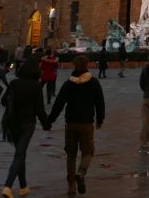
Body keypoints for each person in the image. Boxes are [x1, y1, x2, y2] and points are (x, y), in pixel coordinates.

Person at [47, 54, 105, 196]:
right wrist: (100, 119)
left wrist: (50, 120)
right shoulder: (94, 83)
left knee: (71, 156)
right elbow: (100, 103)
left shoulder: (68, 84)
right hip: (86, 123)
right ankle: (81, 172)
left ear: (74, 65)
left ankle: (71, 187)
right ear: (87, 65)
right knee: (88, 151)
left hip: (71, 123)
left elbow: (59, 104)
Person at [0, 60, 51, 198]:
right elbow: (40, 109)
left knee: (20, 152)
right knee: (20, 154)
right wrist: (46, 124)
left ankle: (23, 187)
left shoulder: (14, 83)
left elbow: (3, 100)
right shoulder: (36, 86)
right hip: (28, 122)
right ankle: (8, 186)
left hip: (13, 121)